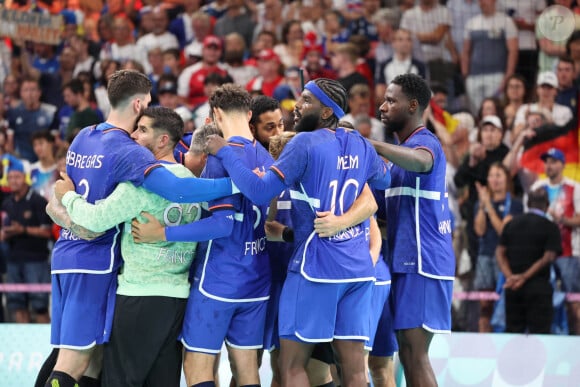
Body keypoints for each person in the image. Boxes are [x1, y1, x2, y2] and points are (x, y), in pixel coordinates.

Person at [44, 69, 238, 387]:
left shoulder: (84, 135)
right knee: (74, 362)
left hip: (65, 255)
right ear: (137, 104)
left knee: (91, 360)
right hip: (97, 264)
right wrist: (240, 183)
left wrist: (67, 214)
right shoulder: (130, 151)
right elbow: (179, 191)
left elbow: (60, 194)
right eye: (146, 103)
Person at [205, 78, 391, 387]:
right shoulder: (359, 142)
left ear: (327, 113)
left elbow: (258, 192)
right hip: (358, 270)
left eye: (306, 101)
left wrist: (225, 152)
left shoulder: (304, 143)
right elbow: (383, 181)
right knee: (355, 370)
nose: (297, 106)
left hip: (315, 268)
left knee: (291, 365)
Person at [52, 106, 197, 387]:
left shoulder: (140, 185)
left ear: (163, 140)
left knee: (119, 379)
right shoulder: (192, 181)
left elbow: (96, 219)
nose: (133, 135)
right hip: (178, 297)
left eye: (142, 130)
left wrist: (68, 196)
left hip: (137, 295)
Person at [370, 73, 455, 386]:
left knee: (414, 353)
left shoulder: (424, 143)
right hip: (405, 263)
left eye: (391, 100)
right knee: (407, 352)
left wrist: (370, 144)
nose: (383, 107)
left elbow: (421, 162)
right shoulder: (395, 159)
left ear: (413, 106)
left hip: (424, 263)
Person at [496, 188, 561, 334]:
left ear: (528, 203)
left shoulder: (511, 224)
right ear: (547, 205)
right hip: (539, 289)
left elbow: (499, 252)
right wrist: (524, 277)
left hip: (513, 288)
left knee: (513, 334)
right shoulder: (550, 227)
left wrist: (511, 277)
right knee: (541, 335)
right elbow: (548, 256)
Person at [530, 148, 580, 335]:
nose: (549, 165)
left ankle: (577, 340)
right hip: (540, 253)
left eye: (553, 161)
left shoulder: (574, 188)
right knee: (542, 299)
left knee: (573, 302)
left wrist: (562, 219)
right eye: (547, 161)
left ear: (563, 164)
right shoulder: (538, 188)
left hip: (568, 253)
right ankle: (546, 337)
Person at [1, 156, 52, 324]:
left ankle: (46, 349)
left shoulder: (37, 201)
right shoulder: (7, 204)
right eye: (10, 178)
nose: (13, 181)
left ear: (25, 178)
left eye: (17, 177)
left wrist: (22, 230)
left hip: (36, 260)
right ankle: (23, 349)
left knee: (40, 306)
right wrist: (7, 233)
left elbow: (47, 232)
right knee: (17, 305)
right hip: (13, 260)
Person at [473, 162, 523, 332]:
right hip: (484, 257)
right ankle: (483, 344)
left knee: (503, 304)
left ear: (506, 179)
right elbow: (479, 230)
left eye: (498, 175)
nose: (494, 180)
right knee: (485, 305)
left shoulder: (515, 204)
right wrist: (481, 206)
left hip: (504, 259)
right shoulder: (482, 203)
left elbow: (503, 230)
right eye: (491, 175)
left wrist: (488, 206)